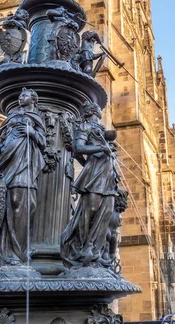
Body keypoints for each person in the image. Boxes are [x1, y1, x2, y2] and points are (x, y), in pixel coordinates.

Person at [0, 88, 46, 264]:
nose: (21, 97)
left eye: (25, 95)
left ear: (33, 100)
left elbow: (43, 141)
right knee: (4, 205)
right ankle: (1, 252)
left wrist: (32, 132)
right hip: (7, 162)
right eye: (20, 95)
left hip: (24, 162)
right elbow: (1, 142)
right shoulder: (11, 117)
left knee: (20, 203)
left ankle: (18, 253)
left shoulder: (36, 117)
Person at [61, 101, 119, 268]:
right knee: (90, 211)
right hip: (94, 173)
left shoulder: (101, 130)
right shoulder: (85, 127)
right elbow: (78, 148)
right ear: (92, 111)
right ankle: (81, 247)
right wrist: (99, 149)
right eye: (95, 109)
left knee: (106, 212)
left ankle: (94, 250)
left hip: (108, 174)